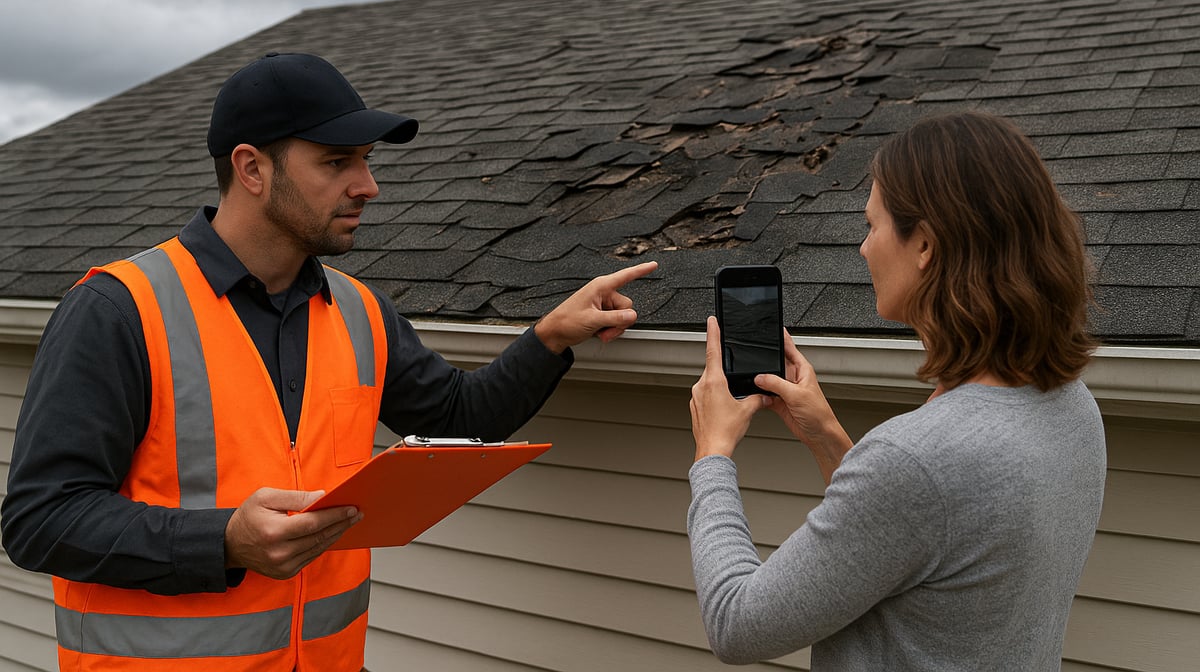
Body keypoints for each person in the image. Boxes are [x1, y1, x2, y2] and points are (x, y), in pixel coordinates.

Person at [1, 51, 657, 672]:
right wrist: (224, 538)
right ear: (252, 169)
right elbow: (39, 519)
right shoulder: (120, 311)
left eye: (367, 161)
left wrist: (549, 337)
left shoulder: (358, 313)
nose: (367, 186)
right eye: (338, 161)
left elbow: (465, 419)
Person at [686, 111, 1105, 670]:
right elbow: (919, 538)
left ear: (925, 243)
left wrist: (711, 455)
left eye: (873, 225)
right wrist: (829, 437)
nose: (863, 248)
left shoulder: (916, 460)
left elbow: (736, 625)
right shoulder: (1072, 405)